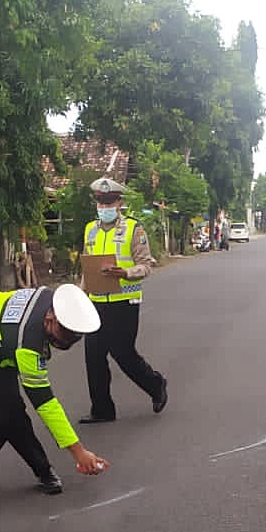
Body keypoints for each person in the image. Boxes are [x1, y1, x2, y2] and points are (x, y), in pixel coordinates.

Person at [0, 284, 109, 497]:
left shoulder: (52, 298)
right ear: (50, 317)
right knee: (4, 415)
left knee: (10, 412)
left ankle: (44, 473)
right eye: (63, 334)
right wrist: (78, 451)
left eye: (73, 337)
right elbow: (45, 403)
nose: (65, 341)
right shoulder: (28, 343)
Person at [77, 177, 168, 424]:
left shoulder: (133, 228)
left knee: (123, 354)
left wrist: (126, 273)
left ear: (119, 202)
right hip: (96, 302)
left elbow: (146, 265)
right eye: (100, 202)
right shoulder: (90, 230)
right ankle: (102, 409)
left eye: (109, 202)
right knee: (93, 355)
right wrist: (79, 297)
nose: (104, 207)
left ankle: (156, 383)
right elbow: (88, 268)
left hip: (124, 303)